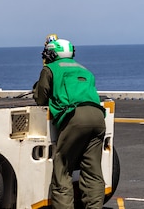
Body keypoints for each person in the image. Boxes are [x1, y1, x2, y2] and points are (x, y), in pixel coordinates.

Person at [33, 36, 107, 209]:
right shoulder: (85, 70)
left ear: (53, 54)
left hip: (75, 118)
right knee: (93, 171)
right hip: (97, 117)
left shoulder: (50, 69)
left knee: (63, 168)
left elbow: (41, 98)